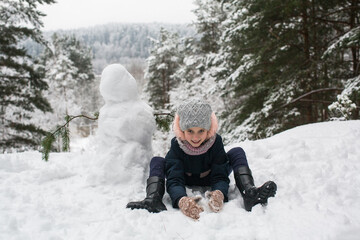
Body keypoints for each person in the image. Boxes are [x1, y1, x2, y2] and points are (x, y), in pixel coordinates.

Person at [126, 98, 277, 220]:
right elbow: (174, 179)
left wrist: (219, 192)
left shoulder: (215, 143)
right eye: (190, 131)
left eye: (201, 131)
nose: (196, 137)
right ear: (182, 130)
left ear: (208, 129)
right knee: (158, 160)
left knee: (237, 152)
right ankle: (153, 198)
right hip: (186, 178)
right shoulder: (176, 146)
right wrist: (181, 199)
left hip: (210, 176)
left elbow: (220, 174)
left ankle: (249, 192)